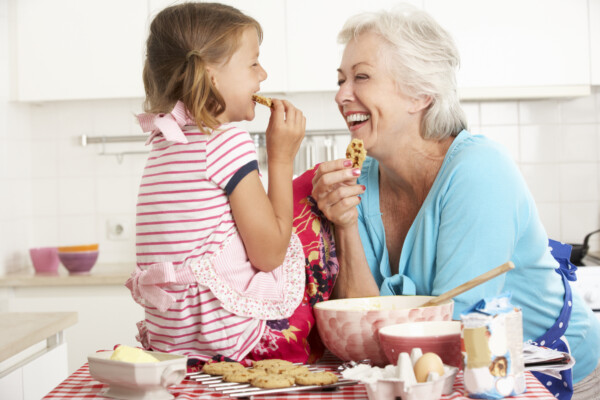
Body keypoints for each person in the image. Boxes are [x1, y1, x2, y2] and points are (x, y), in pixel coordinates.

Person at [310, 4, 600, 399]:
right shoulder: (357, 183)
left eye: (361, 77)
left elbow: (454, 332)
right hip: (437, 374)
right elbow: (361, 326)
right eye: (341, 79)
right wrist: (343, 224)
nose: (341, 95)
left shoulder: (479, 170)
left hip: (555, 376)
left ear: (420, 93)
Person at [125, 2, 311, 364]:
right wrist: (282, 157)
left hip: (171, 342)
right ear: (211, 75)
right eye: (253, 62)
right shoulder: (226, 141)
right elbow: (270, 253)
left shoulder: (164, 143)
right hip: (234, 340)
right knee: (315, 217)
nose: (264, 74)